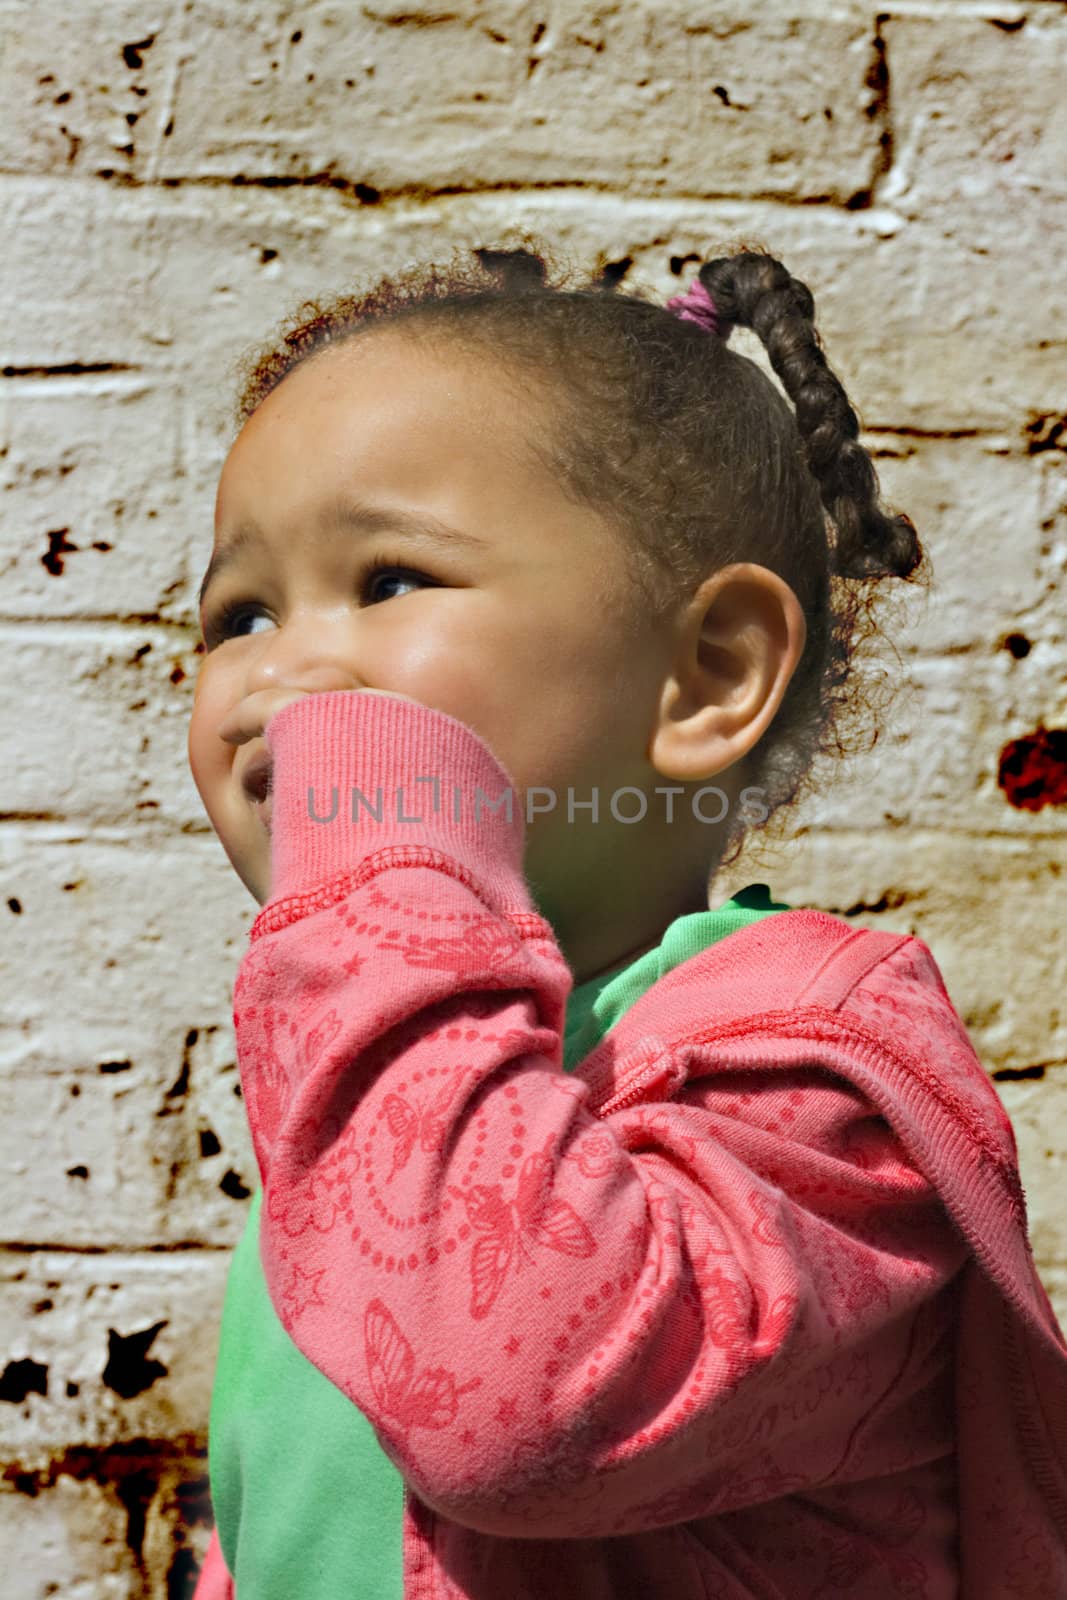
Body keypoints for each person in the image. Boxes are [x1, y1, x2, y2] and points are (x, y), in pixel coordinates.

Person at [187, 240, 1067, 1598]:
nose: (278, 670)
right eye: (238, 612)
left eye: (390, 582)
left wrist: (375, 868)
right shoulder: (391, 1083)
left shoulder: (821, 1095)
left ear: (708, 675)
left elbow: (513, 1407)